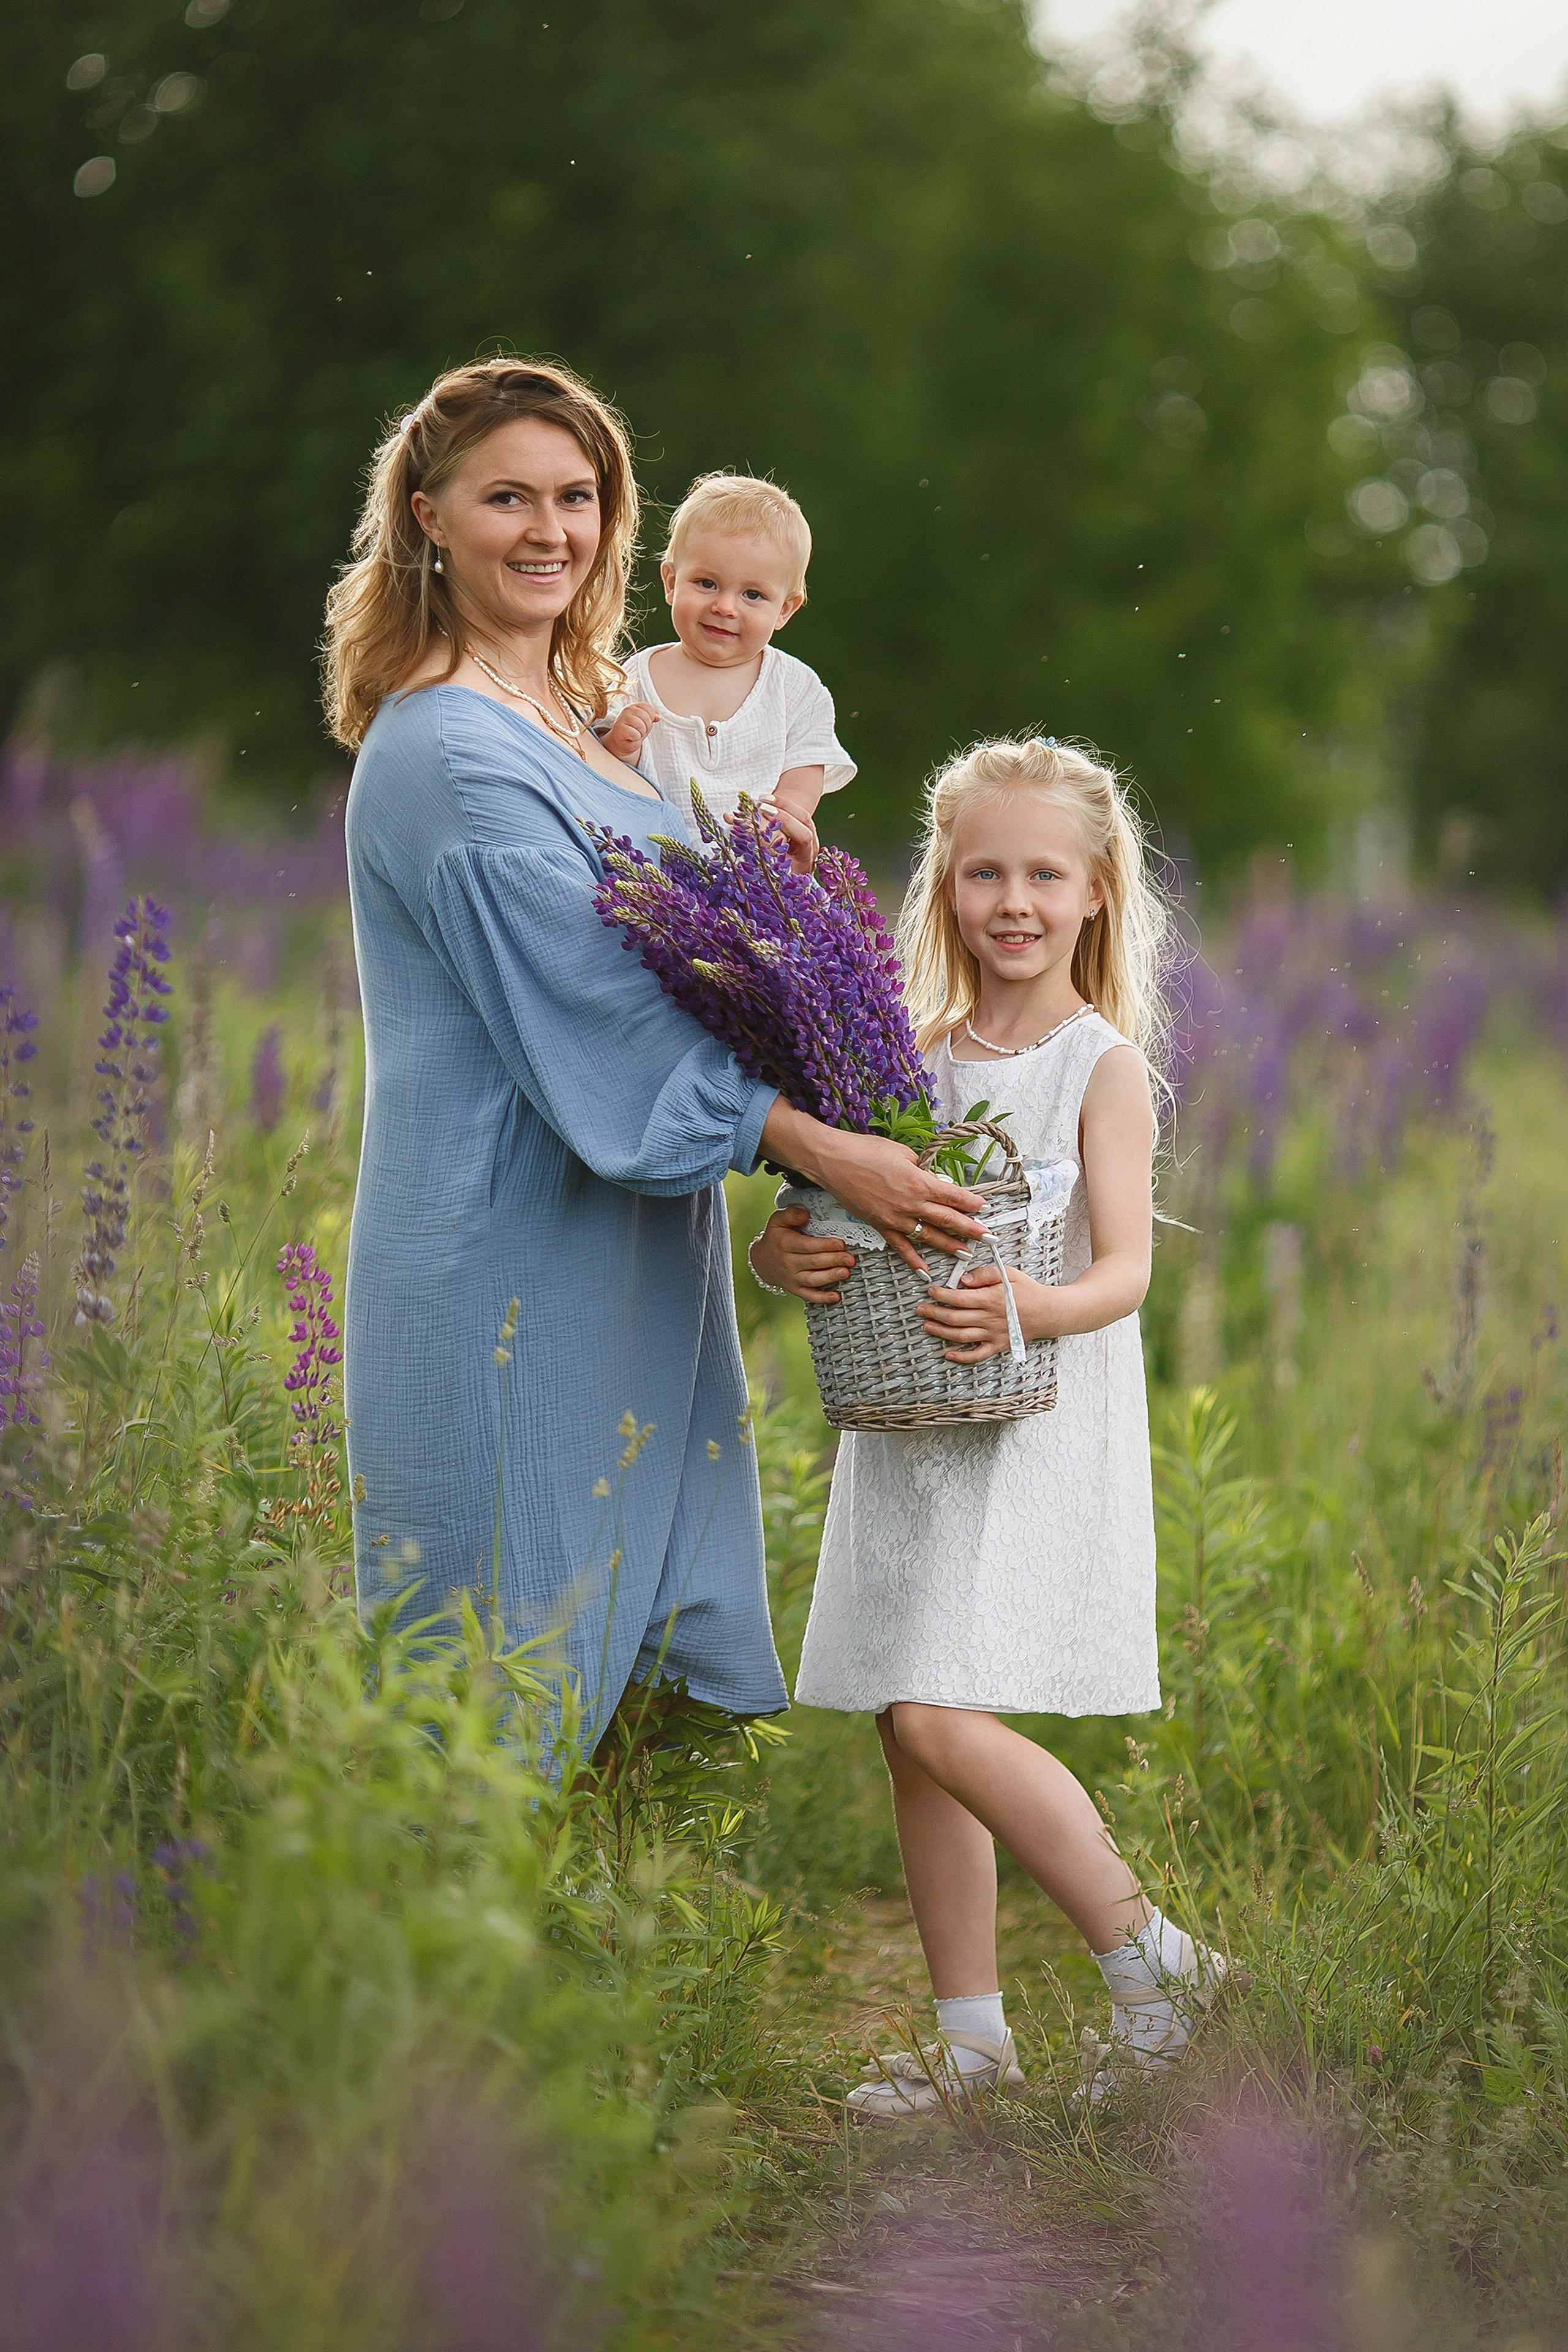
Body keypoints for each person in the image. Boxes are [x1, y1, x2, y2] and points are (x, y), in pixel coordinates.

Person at [322, 357, 986, 1750]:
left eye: (576, 495)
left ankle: (596, 1954)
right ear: (430, 515)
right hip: (499, 1249)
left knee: (622, 1669)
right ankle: (459, 1962)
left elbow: (701, 935)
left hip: (621, 1238)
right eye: (507, 495)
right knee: (488, 1673)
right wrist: (814, 1142)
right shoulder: (445, 749)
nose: (549, 528)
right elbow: (587, 1000)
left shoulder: (579, 717)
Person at [749, 734, 1224, 2112]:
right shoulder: (907, 1064)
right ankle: (971, 2042)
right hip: (908, 1422)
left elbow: (1124, 1271)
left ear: (1093, 893)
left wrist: (1024, 1305)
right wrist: (780, 1260)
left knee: (935, 1714)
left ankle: (1155, 1966)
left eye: (1041, 874)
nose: (1011, 901)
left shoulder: (1098, 1066)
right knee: (906, 1729)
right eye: (981, 874)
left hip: (1022, 1419)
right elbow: (821, 1218)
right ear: (944, 890)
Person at [600, 473, 853, 871]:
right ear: (670, 582)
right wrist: (621, 747)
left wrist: (783, 821)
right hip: (661, 884)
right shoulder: (633, 678)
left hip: (760, 880)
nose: (726, 607)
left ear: (785, 609)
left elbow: (806, 768)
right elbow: (605, 778)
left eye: (752, 595)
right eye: (706, 583)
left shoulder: (796, 688)